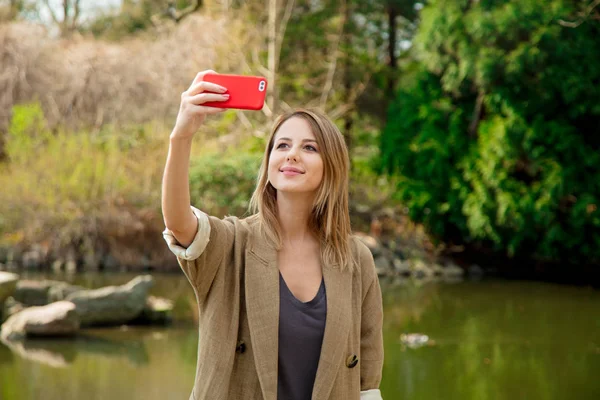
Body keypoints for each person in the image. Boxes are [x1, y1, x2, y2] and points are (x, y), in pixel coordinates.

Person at [161, 70, 384, 400]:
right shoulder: (232, 243)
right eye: (282, 145)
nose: (292, 154)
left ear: (331, 167)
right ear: (269, 163)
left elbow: (367, 384)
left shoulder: (355, 259)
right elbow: (179, 223)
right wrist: (181, 137)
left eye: (310, 147)